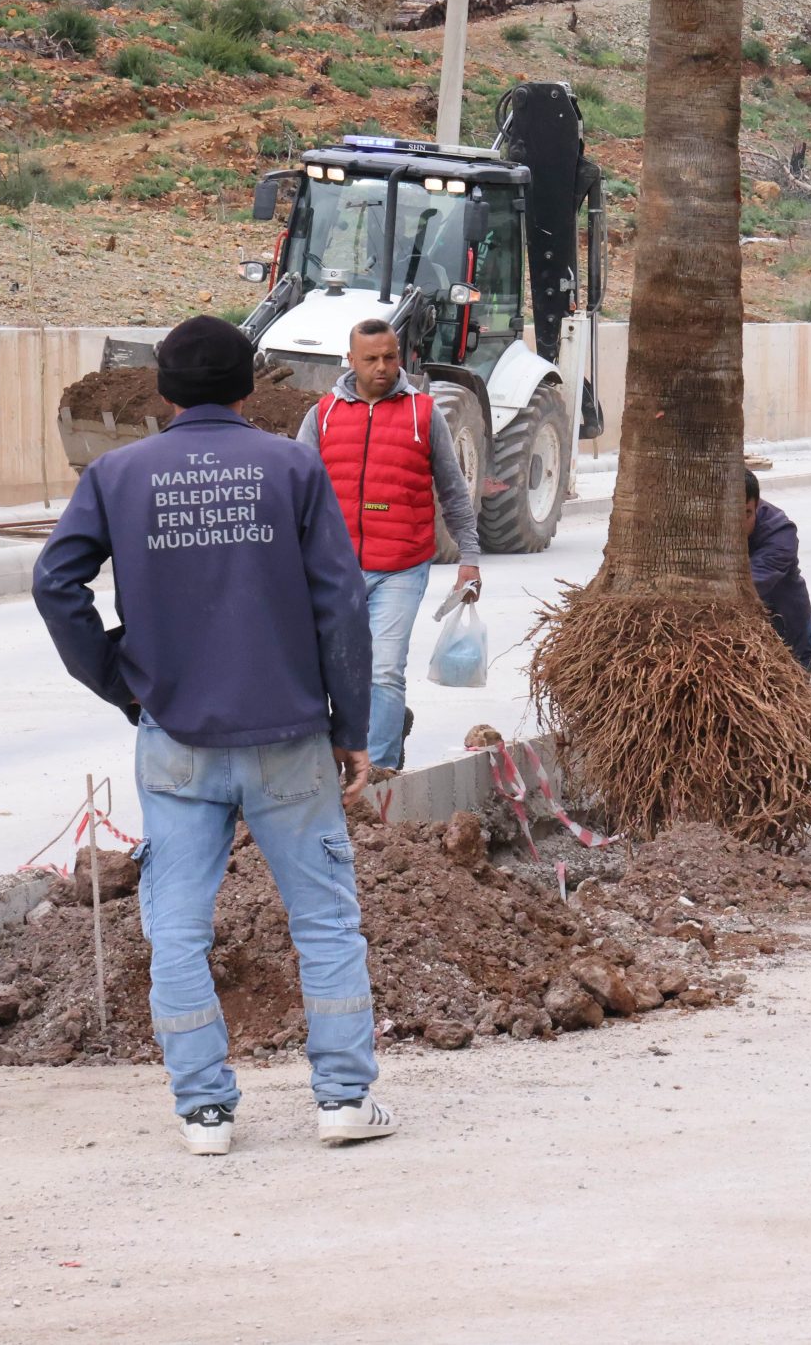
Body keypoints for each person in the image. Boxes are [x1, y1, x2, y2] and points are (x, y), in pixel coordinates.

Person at [34, 316, 393, 1157]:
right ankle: (344, 1100)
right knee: (326, 923)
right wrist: (351, 726)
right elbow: (340, 605)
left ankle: (204, 1111)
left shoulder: (118, 474)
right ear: (248, 392)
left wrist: (121, 681)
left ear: (162, 392)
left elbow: (57, 583)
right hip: (290, 739)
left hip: (177, 740)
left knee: (179, 929)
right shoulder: (293, 466)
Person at [295, 319, 482, 775]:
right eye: (371, 359)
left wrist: (470, 559)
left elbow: (454, 491)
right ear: (351, 360)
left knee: (382, 669)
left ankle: (377, 774)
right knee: (329, 670)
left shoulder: (424, 414)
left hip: (401, 566)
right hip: (334, 569)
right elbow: (294, 489)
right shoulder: (324, 415)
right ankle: (345, 752)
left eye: (390, 357)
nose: (383, 367)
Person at [745, 469, 811, 670]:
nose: (738, 523)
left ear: (757, 505)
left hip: (788, 638)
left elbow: (748, 585)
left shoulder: (780, 534)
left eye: (746, 513)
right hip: (748, 642)